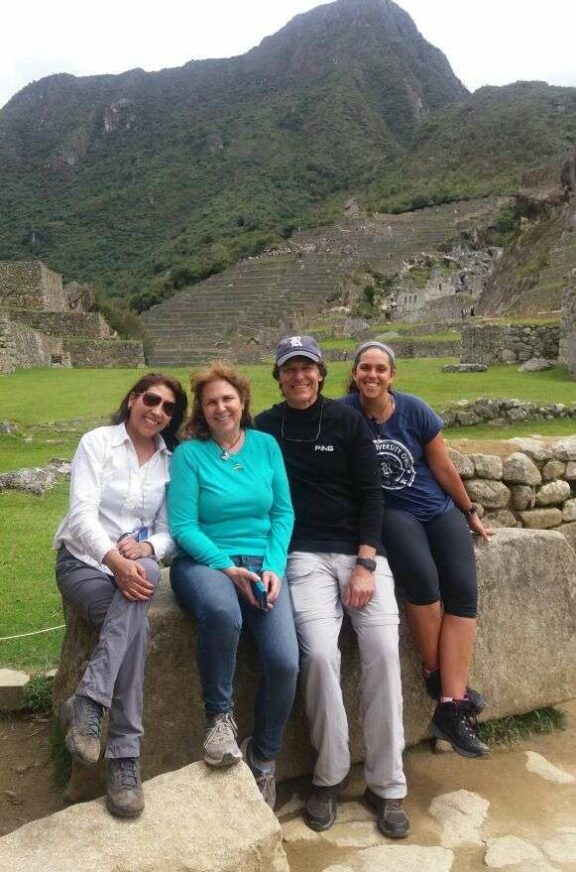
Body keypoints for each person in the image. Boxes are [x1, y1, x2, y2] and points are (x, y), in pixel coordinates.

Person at [256, 336, 409, 838]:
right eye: (289, 369)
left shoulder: (346, 422)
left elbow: (372, 495)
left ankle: (388, 784)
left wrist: (366, 561)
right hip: (301, 555)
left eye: (307, 368)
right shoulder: (266, 428)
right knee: (319, 655)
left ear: (321, 374)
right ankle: (330, 774)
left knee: (384, 651)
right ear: (278, 377)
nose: (299, 377)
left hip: (360, 553)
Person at [341, 341, 492, 759]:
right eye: (365, 369)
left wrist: (469, 511)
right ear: (354, 374)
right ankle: (448, 689)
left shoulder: (415, 410)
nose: (372, 376)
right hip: (392, 511)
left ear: (392, 375)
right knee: (423, 582)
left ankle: (447, 698)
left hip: (436, 507)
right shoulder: (343, 414)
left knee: (463, 592)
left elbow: (442, 466)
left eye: (380, 370)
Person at [54, 373, 188, 818]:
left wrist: (148, 548)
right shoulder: (98, 443)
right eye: (152, 399)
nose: (158, 411)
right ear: (133, 399)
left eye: (169, 407)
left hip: (134, 569)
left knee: (145, 576)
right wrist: (114, 559)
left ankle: (88, 702)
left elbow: (171, 532)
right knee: (133, 619)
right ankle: (125, 757)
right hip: (84, 564)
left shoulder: (170, 464)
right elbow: (80, 517)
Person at [167, 362, 298, 809]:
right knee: (222, 612)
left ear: (242, 401)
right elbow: (183, 525)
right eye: (210, 402)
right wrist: (225, 567)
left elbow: (282, 513)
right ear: (201, 411)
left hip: (262, 564)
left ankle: (264, 760)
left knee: (284, 662)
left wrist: (274, 566)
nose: (221, 407)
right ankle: (218, 719)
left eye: (228, 399)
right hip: (205, 561)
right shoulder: (189, 454)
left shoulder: (265, 446)